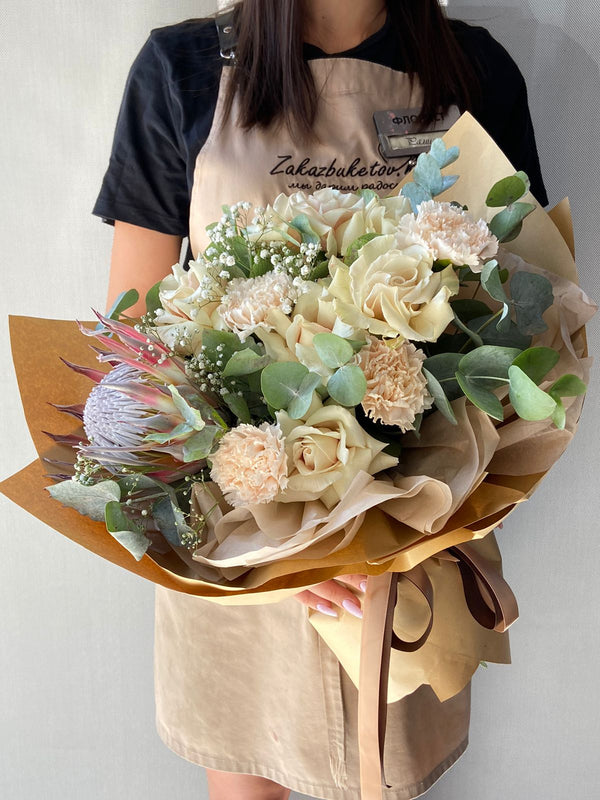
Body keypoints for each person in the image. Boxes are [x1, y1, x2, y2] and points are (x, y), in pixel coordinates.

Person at [92, 2, 548, 798]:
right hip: (237, 526)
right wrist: (280, 546)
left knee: (384, 772)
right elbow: (136, 349)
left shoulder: (474, 74)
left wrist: (399, 525)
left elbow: (524, 315)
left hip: (411, 538)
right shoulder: (183, 70)